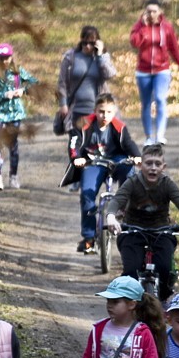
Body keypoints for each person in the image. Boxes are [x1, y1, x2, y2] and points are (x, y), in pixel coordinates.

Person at [105, 144, 179, 301]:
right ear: (140, 165)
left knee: (165, 269)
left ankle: (164, 299)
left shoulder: (167, 184)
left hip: (161, 231)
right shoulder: (133, 182)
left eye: (157, 164)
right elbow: (118, 199)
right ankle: (128, 304)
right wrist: (111, 217)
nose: (153, 168)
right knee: (131, 271)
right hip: (132, 231)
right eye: (149, 163)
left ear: (163, 167)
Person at [63, 93, 141, 255]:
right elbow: (74, 144)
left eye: (109, 112)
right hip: (93, 162)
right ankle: (89, 237)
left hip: (116, 160)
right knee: (87, 193)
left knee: (129, 171)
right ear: (95, 111)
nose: (105, 116)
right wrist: (76, 158)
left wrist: (137, 157)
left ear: (114, 112)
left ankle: (124, 207)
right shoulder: (84, 124)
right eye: (101, 111)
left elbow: (129, 144)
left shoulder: (119, 127)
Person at [130, 0, 179, 146]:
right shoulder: (139, 26)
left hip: (162, 70)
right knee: (146, 104)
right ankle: (149, 137)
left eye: (154, 11)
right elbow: (135, 43)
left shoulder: (166, 27)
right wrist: (143, 27)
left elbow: (174, 48)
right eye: (148, 11)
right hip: (143, 71)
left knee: (160, 99)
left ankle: (160, 135)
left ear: (160, 12)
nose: (151, 14)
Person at [0, 43, 38, 191]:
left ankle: (13, 175)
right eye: (1, 58)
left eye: (6, 58)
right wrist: (4, 95)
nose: (4, 61)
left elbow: (34, 83)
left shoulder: (18, 71)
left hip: (15, 114)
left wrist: (23, 91)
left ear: (11, 57)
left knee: (13, 146)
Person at [57, 25, 117, 138]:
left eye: (91, 43)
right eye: (85, 43)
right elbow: (62, 82)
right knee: (76, 141)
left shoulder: (102, 58)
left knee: (95, 142)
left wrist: (100, 56)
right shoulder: (71, 57)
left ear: (97, 43)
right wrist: (63, 103)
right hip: (76, 109)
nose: (87, 46)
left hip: (97, 110)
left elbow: (110, 74)